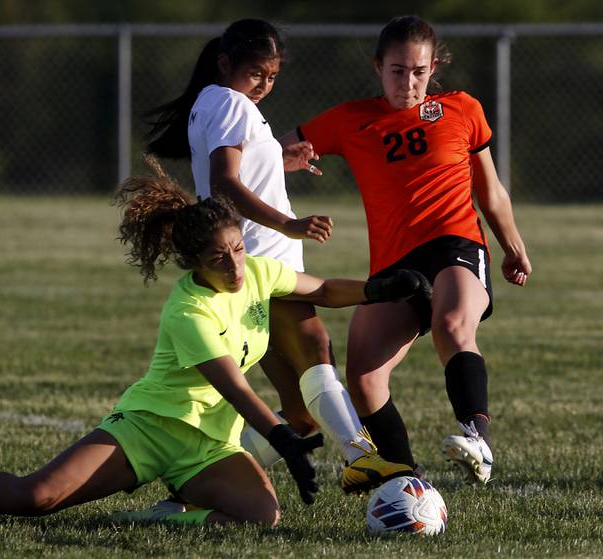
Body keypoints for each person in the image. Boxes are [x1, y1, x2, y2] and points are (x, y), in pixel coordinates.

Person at [0, 159, 429, 527]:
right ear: (191, 264)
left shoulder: (256, 272)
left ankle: (147, 518)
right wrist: (280, 434)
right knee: (37, 498)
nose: (233, 267)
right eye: (217, 259)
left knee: (261, 517)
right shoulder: (188, 309)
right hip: (149, 430)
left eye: (236, 249)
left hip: (209, 447)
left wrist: (380, 287)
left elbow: (324, 287)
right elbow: (232, 386)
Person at [144, 18, 415, 493]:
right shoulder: (230, 102)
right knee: (316, 349)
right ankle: (360, 457)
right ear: (226, 64)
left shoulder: (216, 100)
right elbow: (226, 181)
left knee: (299, 414)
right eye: (256, 74)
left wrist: (278, 161)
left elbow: (236, 171)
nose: (265, 85)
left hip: (246, 261)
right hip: (263, 258)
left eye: (272, 77)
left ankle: (197, 486)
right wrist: (289, 224)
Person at [280, 15, 532, 485]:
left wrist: (513, 247)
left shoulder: (461, 109)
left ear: (433, 68)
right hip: (396, 264)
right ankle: (404, 477)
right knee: (363, 376)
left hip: (455, 242)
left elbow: (491, 191)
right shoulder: (350, 119)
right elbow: (270, 154)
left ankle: (477, 438)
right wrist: (281, 159)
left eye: (419, 71)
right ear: (378, 67)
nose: (409, 82)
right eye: (398, 71)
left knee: (452, 323)